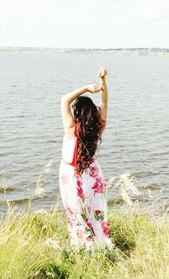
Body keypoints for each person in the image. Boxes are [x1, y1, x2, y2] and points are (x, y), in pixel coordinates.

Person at [59, 67, 113, 251]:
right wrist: (103, 81)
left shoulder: (70, 127)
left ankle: (83, 245)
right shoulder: (98, 126)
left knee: (74, 211)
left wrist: (86, 88)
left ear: (77, 112)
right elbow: (104, 102)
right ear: (92, 112)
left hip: (69, 172)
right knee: (97, 210)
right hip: (92, 172)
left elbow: (64, 100)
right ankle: (102, 243)